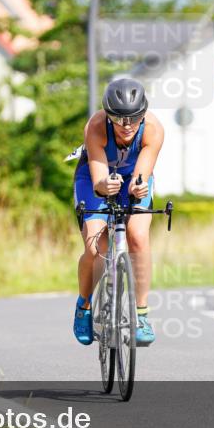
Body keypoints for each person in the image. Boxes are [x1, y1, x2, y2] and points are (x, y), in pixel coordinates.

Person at [72, 78, 164, 346]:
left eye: (133, 119)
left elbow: (142, 175)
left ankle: (142, 314)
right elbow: (98, 176)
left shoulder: (154, 130)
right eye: (118, 118)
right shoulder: (96, 126)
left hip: (133, 178)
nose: (126, 126)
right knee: (95, 246)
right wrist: (103, 186)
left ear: (143, 114)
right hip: (94, 179)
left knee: (137, 236)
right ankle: (85, 305)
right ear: (107, 115)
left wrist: (137, 188)